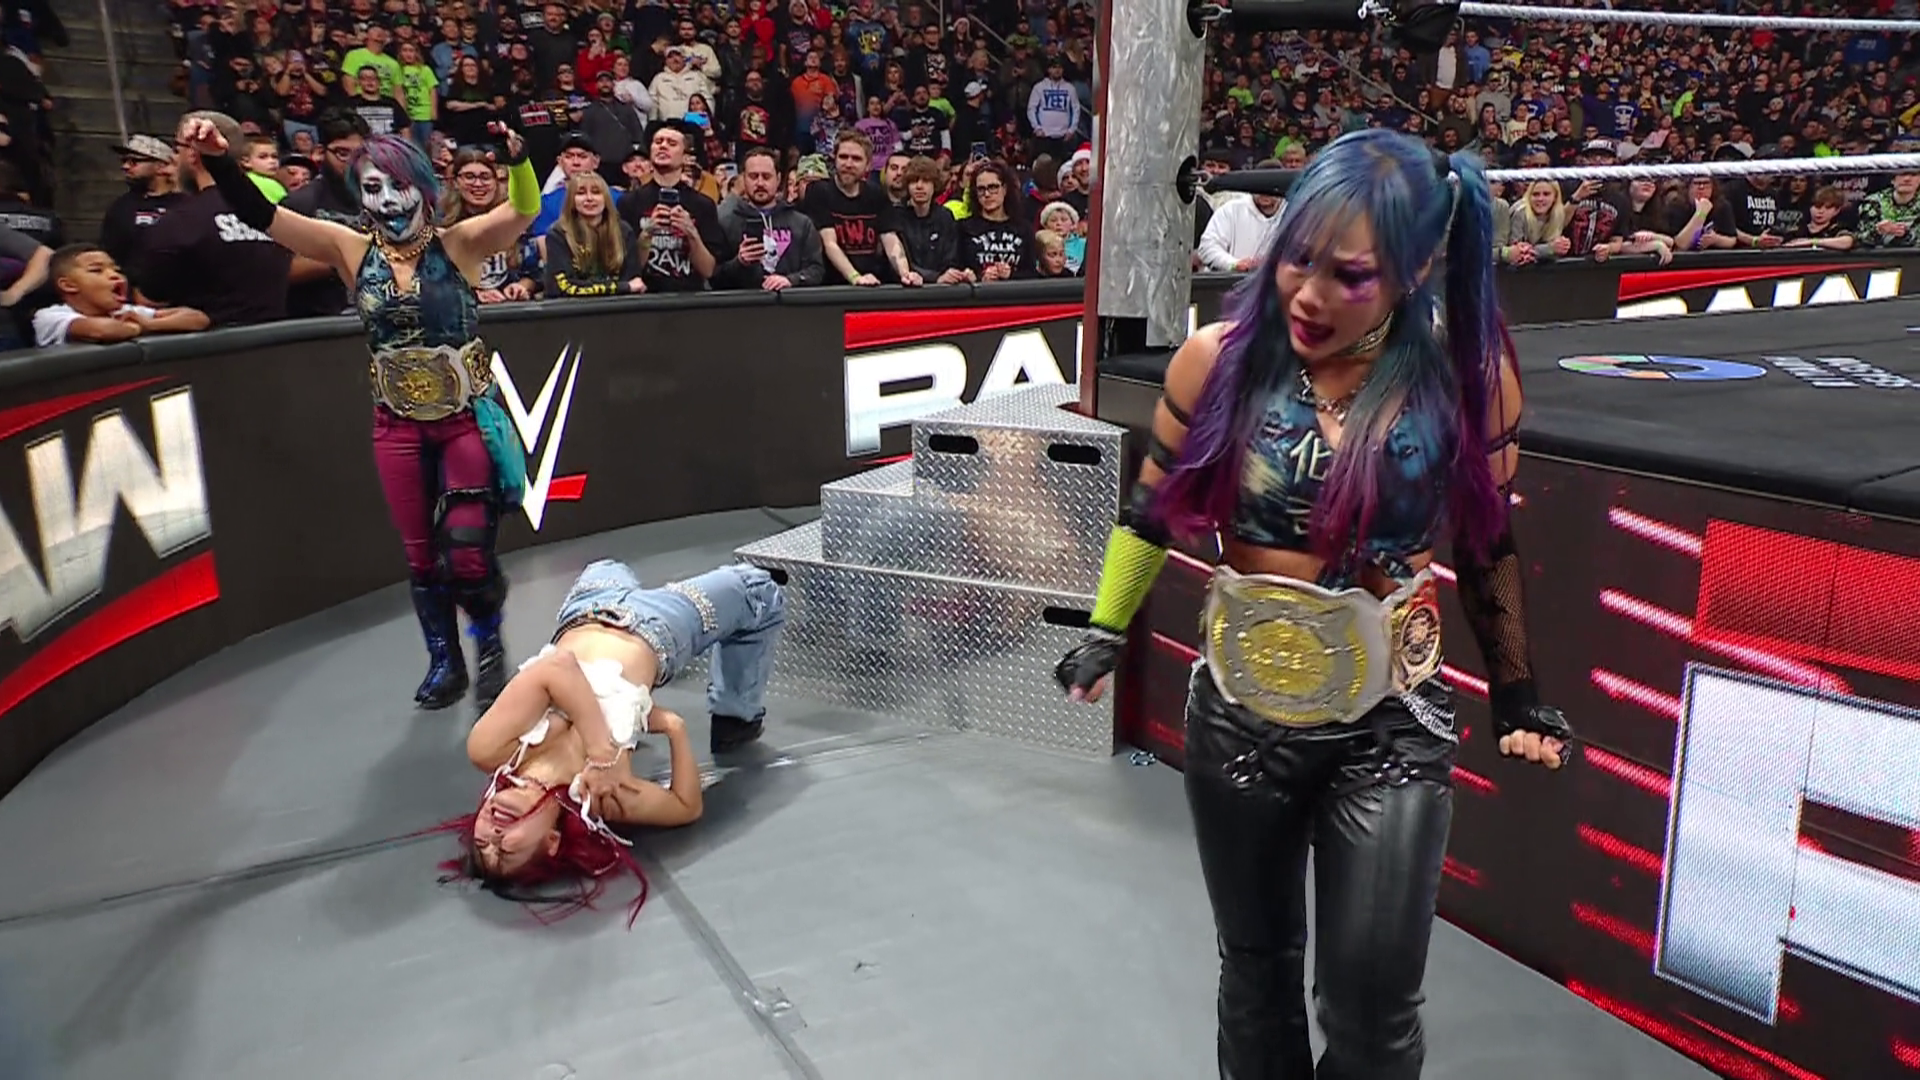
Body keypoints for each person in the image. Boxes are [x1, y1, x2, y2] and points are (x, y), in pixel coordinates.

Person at [1053, 129, 1576, 1078]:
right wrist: (1104, 627)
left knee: (1373, 1010)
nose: (1306, 293)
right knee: (1255, 971)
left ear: (1415, 270)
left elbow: (1487, 539)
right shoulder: (1217, 359)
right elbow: (1150, 507)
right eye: (1296, 257)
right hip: (1240, 714)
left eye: (1350, 275)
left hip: (1391, 725)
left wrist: (1518, 692)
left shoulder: (1465, 383)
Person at [177, 114, 542, 713]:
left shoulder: (459, 244)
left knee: (468, 551)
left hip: (463, 422)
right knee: (421, 553)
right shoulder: (348, 248)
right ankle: (445, 660)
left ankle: (489, 644)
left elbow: (524, 208)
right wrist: (219, 159)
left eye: (398, 186)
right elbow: (262, 215)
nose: (387, 200)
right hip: (397, 427)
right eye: (373, 188)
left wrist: (521, 158)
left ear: (423, 188)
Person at [442, 559, 787, 922]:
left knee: (605, 565)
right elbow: (686, 807)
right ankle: (736, 714)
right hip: (656, 627)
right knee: (760, 591)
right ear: (551, 842)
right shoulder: (600, 798)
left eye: (482, 842)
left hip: (587, 603)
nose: (494, 835)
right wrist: (674, 728)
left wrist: (601, 753)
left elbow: (558, 667)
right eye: (506, 851)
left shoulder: (492, 750)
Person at [32, 244, 209, 346]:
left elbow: (198, 318)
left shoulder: (126, 312)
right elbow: (101, 330)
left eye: (116, 269)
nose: (114, 275)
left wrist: (150, 324)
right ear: (68, 285)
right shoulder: (50, 316)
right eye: (97, 270)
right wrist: (140, 327)